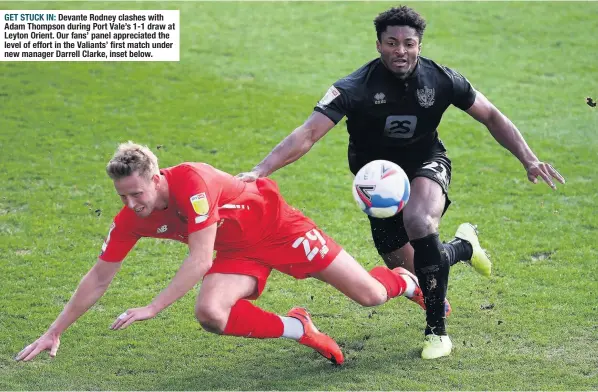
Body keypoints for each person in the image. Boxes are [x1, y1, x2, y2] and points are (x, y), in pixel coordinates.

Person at [237, 6, 565, 359]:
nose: (401, 51)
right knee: (412, 265)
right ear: (378, 45)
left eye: (409, 43)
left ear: (419, 45)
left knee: (420, 223)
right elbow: (308, 133)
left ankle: (437, 332)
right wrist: (260, 170)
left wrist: (529, 159)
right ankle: (464, 247)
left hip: (426, 162)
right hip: (378, 184)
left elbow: (491, 115)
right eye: (392, 43)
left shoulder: (442, 79)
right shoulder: (353, 88)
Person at [16, 142, 437, 365]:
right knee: (211, 314)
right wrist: (55, 330)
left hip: (280, 229)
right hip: (235, 250)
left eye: (137, 193)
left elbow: (199, 260)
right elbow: (98, 277)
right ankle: (299, 328)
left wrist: (154, 306)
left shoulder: (192, 183)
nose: (131, 204)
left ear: (157, 177)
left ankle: (405, 281)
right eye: (122, 196)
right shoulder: (131, 217)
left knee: (370, 295)